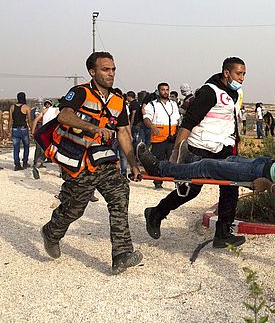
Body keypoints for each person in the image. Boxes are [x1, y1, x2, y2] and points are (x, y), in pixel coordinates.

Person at [40, 51, 143, 274]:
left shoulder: (118, 99)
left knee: (119, 195)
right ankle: (51, 232)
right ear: (92, 72)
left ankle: (121, 254)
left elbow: (123, 132)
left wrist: (133, 164)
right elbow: (64, 116)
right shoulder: (79, 92)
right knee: (74, 209)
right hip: (77, 162)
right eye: (106, 69)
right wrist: (94, 128)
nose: (111, 73)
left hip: (102, 161)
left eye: (113, 69)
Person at [143, 57, 247, 249]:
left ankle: (223, 234)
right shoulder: (209, 91)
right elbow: (189, 121)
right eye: (238, 73)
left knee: (231, 188)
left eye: (244, 74)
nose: (241, 78)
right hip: (201, 147)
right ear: (226, 73)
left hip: (223, 148)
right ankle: (156, 213)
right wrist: (177, 151)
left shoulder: (233, 94)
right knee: (191, 190)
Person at [138, 143, 275, 205]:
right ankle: (190, 159)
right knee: (226, 161)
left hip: (260, 173)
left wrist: (267, 186)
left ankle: (159, 168)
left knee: (209, 168)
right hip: (267, 163)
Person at [143, 82, 181, 189]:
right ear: (158, 91)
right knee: (158, 161)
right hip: (158, 138)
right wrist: (152, 127)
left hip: (172, 137)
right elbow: (146, 118)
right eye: (163, 90)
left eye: (167, 89)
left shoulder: (173, 104)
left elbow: (177, 118)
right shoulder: (152, 105)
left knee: (174, 161)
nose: (165, 92)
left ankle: (177, 183)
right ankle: (158, 182)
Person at [30, 100, 56, 179]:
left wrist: (33, 131)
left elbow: (35, 120)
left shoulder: (44, 111)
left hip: (45, 134)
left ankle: (36, 166)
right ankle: (62, 171)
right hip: (54, 134)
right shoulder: (58, 111)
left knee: (45, 151)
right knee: (57, 152)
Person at [10, 92, 33, 170]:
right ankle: (25, 163)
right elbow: (29, 120)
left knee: (16, 148)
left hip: (15, 129)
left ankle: (17, 164)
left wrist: (9, 131)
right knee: (26, 146)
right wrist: (32, 130)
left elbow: (10, 120)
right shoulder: (26, 107)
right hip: (23, 129)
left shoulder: (12, 107)